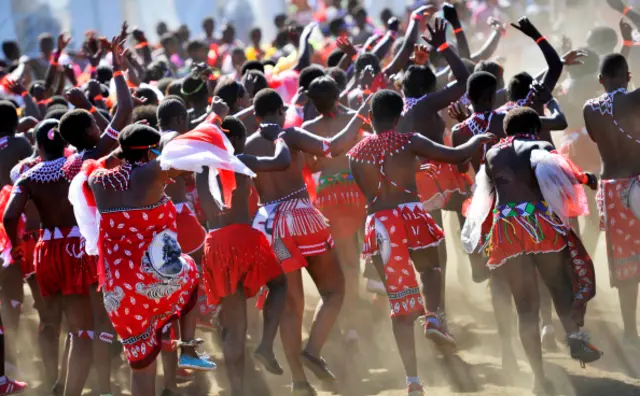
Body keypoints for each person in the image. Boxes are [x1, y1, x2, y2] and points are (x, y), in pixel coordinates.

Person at [348, 89, 494, 395]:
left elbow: (369, 192)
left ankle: (413, 381)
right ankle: (432, 319)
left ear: (370, 118)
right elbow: (455, 155)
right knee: (431, 271)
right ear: (399, 117)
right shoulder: (408, 140)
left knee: (399, 305)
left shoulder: (357, 153)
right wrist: (476, 140)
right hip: (411, 215)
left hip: (380, 224)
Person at [463, 107, 602, 394]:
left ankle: (538, 377)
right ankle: (575, 337)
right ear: (535, 129)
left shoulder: (491, 154)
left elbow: (483, 198)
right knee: (559, 286)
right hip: (539, 225)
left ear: (507, 130)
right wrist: (587, 179)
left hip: (507, 230)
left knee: (525, 308)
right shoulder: (540, 145)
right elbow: (559, 168)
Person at [76, 123, 217, 396]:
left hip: (118, 292)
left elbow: (108, 161)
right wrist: (217, 118)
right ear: (152, 152)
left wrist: (128, 147)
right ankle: (187, 348)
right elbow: (191, 151)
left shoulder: (97, 179)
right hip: (157, 278)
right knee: (189, 270)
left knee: (141, 366)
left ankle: (181, 351)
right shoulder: (153, 172)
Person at [245, 88, 365, 395]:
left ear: (257, 117)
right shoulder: (291, 135)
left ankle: (299, 382)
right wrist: (359, 115)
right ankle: (312, 350)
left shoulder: (245, 146)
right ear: (281, 113)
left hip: (274, 230)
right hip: (302, 220)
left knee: (291, 306)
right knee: (335, 290)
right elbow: (333, 147)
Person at [195, 116, 290, 396]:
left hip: (215, 244)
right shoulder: (240, 159)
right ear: (235, 140)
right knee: (280, 284)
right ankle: (265, 346)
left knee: (235, 326)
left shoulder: (202, 166)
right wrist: (279, 137)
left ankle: (237, 390)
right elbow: (281, 161)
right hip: (245, 239)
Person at [3, 120, 98, 396]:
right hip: (77, 249)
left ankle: (52, 379)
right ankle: (69, 391)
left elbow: (10, 216)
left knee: (50, 321)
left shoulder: (27, 175)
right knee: (82, 330)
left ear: (39, 147)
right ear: (65, 144)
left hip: (46, 251)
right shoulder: (79, 163)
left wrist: (18, 247)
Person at [302, 76, 366, 349]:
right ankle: (361, 315)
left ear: (313, 102)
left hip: (330, 195)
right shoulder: (355, 119)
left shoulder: (308, 127)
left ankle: (350, 324)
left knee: (344, 263)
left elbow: (313, 167)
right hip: (359, 190)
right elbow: (365, 152)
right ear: (338, 95)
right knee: (361, 257)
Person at [584, 53, 640, 347]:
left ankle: (630, 331)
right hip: (639, 181)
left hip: (612, 190)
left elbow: (597, 139)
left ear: (600, 80)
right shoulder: (634, 101)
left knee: (626, 262)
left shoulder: (589, 109)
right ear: (629, 77)